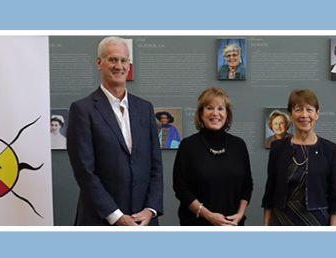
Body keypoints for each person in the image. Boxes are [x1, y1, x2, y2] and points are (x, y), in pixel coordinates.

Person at [67, 37, 163, 226]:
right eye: (113, 60)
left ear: (129, 64)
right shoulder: (83, 109)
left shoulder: (144, 108)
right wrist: (115, 215)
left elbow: (155, 165)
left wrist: (150, 210)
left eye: (124, 60)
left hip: (143, 221)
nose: (119, 66)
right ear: (99, 62)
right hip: (100, 220)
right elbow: (85, 172)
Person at [173, 87, 253, 226]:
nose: (215, 113)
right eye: (209, 108)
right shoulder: (188, 145)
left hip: (233, 225)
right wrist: (209, 216)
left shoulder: (238, 145)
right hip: (197, 225)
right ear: (201, 114)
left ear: (227, 114)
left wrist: (240, 215)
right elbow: (181, 189)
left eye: (221, 109)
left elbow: (247, 185)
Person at [262, 89, 336, 226]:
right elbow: (270, 191)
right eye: (299, 110)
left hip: (316, 220)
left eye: (309, 110)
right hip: (282, 219)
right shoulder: (277, 148)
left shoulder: (331, 150)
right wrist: (266, 225)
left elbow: (335, 196)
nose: (304, 115)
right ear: (291, 115)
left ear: (317, 114)